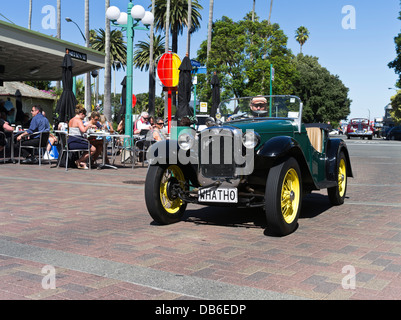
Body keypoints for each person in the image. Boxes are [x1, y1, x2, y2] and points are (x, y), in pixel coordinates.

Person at [68, 105, 97, 169]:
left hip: (70, 142)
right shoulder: (78, 120)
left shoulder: (71, 120)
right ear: (81, 114)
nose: (84, 117)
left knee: (88, 144)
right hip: (76, 142)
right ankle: (79, 161)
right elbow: (83, 130)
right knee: (93, 149)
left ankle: (82, 162)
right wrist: (88, 126)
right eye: (84, 115)